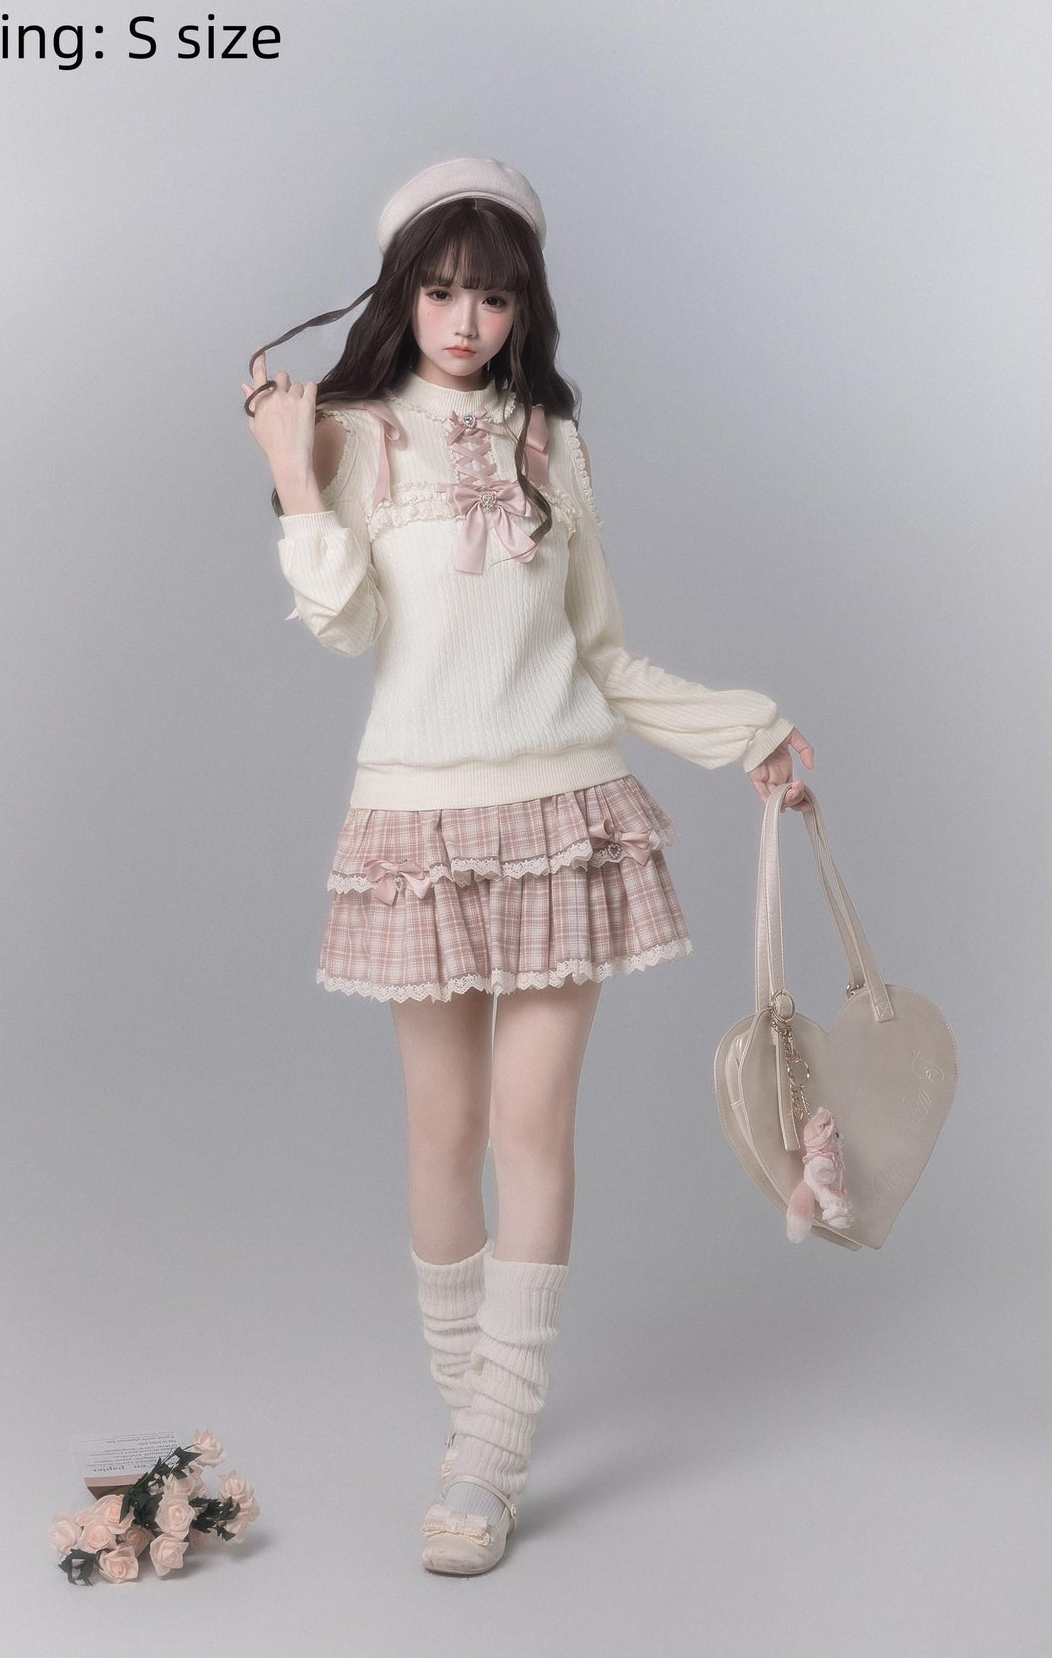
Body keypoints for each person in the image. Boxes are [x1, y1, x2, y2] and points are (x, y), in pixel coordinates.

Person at [243, 157, 814, 1575]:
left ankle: (488, 1459)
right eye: (441, 292)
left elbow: (601, 654)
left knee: (529, 1133)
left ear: (523, 307)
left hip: (564, 811)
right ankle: (478, 1422)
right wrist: (290, 472)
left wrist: (749, 728)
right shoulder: (354, 435)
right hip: (419, 828)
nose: (464, 321)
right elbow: (344, 626)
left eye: (492, 298)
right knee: (440, 1136)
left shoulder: (551, 439)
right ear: (401, 295)